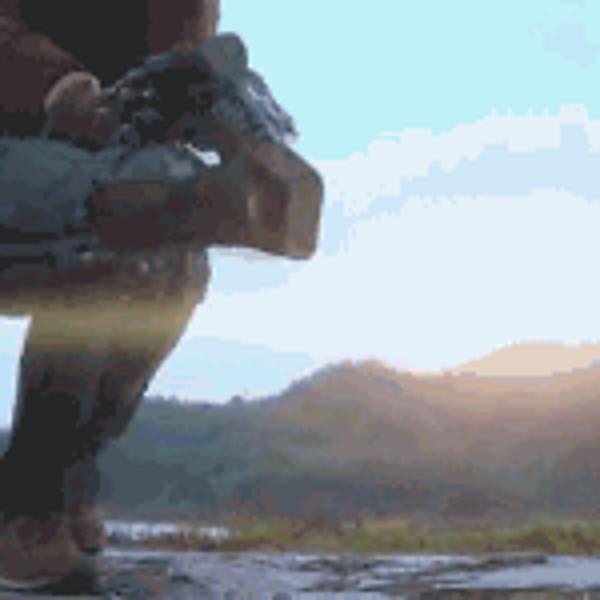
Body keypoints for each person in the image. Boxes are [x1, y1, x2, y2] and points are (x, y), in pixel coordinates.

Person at [0, 0, 274, 590]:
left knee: (175, 270)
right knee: (99, 248)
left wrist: (205, 103)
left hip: (84, 161)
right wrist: (58, 84)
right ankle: (24, 510)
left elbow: (176, 58)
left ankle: (60, 481)